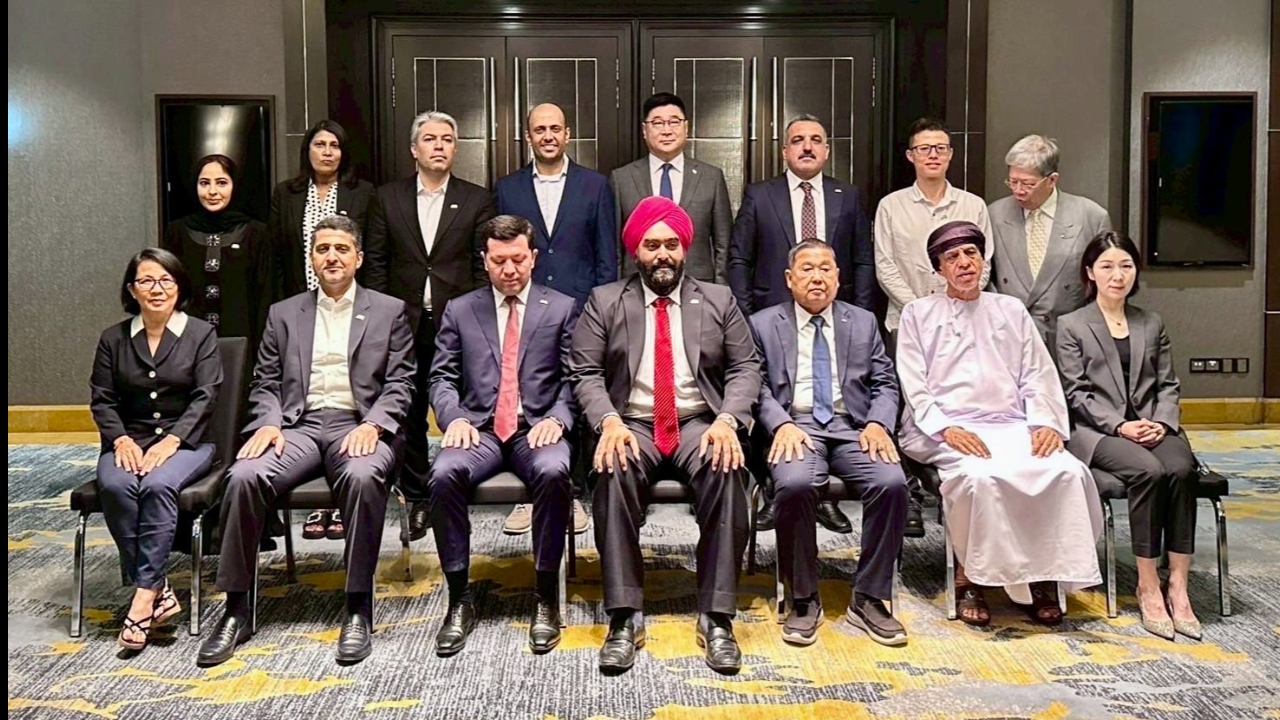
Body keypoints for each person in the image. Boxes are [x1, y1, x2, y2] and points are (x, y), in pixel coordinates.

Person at [198, 216, 415, 666]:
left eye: (341, 249)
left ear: (358, 258)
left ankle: (357, 608)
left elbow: (401, 383)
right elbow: (265, 381)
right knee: (244, 475)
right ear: (311, 259)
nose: (332, 257)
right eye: (322, 249)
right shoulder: (284, 313)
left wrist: (375, 425)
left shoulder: (389, 310)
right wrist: (267, 423)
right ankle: (237, 609)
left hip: (358, 424)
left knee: (362, 476)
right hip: (297, 427)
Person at [570, 196, 760, 674]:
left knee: (726, 464)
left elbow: (746, 367)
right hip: (632, 422)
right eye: (652, 245)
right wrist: (608, 422)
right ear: (636, 251)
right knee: (612, 466)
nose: (662, 254)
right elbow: (585, 373)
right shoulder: (605, 301)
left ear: (685, 249)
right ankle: (624, 615)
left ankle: (717, 616)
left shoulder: (717, 299)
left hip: (699, 421)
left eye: (671, 244)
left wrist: (727, 421)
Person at [896, 220, 1102, 627]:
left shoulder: (1010, 309)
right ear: (939, 269)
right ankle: (969, 577)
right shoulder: (918, 313)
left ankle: (1043, 575)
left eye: (971, 254)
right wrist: (945, 429)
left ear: (983, 259)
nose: (964, 263)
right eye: (952, 257)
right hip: (944, 427)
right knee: (979, 478)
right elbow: (913, 383)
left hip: (1012, 424)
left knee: (1064, 470)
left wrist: (1044, 423)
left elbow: (1037, 374)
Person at [428, 214, 579, 656]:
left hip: (537, 428)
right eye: (499, 261)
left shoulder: (562, 307)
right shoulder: (461, 309)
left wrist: (559, 418)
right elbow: (441, 377)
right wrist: (454, 418)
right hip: (480, 430)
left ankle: (545, 596)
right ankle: (459, 598)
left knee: (554, 471)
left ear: (533, 257)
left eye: (517, 259)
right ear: (485, 260)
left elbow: (576, 378)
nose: (509, 270)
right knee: (444, 473)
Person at [750, 239, 908, 647]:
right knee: (795, 483)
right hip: (796, 425)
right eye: (807, 269)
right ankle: (803, 597)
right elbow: (756, 387)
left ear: (838, 277)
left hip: (853, 426)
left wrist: (878, 423)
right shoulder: (764, 324)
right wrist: (780, 424)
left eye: (826, 268)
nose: (817, 277)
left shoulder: (863, 321)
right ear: (789, 279)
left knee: (892, 483)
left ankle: (869, 596)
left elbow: (885, 382)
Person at [730, 113, 875, 534]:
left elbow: (862, 261)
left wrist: (857, 316)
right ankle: (778, 490)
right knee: (778, 403)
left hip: (833, 320)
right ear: (784, 151)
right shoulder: (760, 195)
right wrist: (745, 318)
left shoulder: (847, 195)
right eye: (797, 140)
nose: (807, 146)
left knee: (828, 403)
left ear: (827, 150)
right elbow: (739, 259)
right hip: (772, 321)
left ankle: (822, 498)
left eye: (815, 140)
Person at [1056, 231, 1200, 641]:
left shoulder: (1150, 322)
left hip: (1153, 425)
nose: (1117, 275)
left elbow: (1168, 385)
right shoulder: (1071, 325)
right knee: (1148, 472)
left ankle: (1179, 585)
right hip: (1098, 431)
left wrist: (1161, 423)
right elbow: (1075, 393)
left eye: (1126, 265)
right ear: (1090, 273)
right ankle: (1148, 584)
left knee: (1181, 469)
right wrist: (1121, 426)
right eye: (1107, 266)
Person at [363, 110, 497, 541]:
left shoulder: (477, 199)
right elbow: (376, 262)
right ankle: (419, 499)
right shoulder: (387, 198)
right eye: (430, 139)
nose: (439, 146)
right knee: (411, 410)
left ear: (455, 148)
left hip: (460, 322)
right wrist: (382, 316)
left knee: (465, 406)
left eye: (447, 139)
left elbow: (482, 267)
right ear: (413, 149)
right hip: (403, 322)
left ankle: (459, 488)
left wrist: (480, 319)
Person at [90, 248, 222, 651]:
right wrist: (121, 439)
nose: (157, 288)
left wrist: (172, 440)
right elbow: (102, 400)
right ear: (132, 290)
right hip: (129, 440)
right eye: (146, 281)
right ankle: (159, 589)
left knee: (158, 485)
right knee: (116, 485)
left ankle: (143, 597)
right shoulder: (113, 338)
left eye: (166, 280)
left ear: (179, 286)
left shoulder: (200, 334)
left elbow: (206, 395)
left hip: (187, 442)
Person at [494, 102, 614, 536]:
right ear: (528, 136)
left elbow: (606, 255)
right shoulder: (507, 188)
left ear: (567, 134)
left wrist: (602, 308)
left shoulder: (595, 185)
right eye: (539, 129)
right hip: (524, 309)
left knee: (578, 397)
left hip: (581, 309)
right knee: (530, 394)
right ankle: (529, 495)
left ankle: (574, 493)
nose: (547, 135)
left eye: (555, 129)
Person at [873, 118, 993, 537]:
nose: (933, 155)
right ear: (911, 156)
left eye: (940, 147)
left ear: (951, 154)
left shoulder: (973, 206)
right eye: (924, 148)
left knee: (956, 398)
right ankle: (908, 493)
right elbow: (885, 264)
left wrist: (950, 305)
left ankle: (956, 482)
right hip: (905, 322)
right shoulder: (891, 206)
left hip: (963, 325)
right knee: (906, 405)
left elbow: (983, 264)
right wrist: (921, 310)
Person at [270, 120, 376, 542]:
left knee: (342, 396)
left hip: (350, 308)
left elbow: (371, 254)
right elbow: (279, 256)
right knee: (308, 397)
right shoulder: (286, 194)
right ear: (308, 150)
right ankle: (318, 504)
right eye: (319, 144)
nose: (327, 152)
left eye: (335, 145)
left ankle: (338, 505)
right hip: (302, 308)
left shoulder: (363, 194)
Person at [988, 134, 1112, 348]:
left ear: (1052, 180)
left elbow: (1105, 285)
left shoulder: (1091, 217)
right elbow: (985, 277)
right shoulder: (994, 214)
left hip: (1068, 340)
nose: (1018, 190)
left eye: (1028, 184)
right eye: (1013, 181)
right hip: (1009, 335)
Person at [610, 92, 733, 283]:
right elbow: (615, 249)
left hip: (697, 286)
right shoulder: (622, 179)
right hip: (638, 285)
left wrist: (720, 291)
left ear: (686, 127)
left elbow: (723, 244)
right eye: (658, 123)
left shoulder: (711, 177)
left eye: (674, 122)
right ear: (644, 130)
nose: (666, 130)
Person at [161, 154, 273, 345]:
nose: (212, 191)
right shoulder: (177, 232)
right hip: (186, 342)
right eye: (204, 183)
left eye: (221, 183)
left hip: (243, 340)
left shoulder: (257, 233)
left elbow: (265, 297)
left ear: (235, 185)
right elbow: (168, 291)